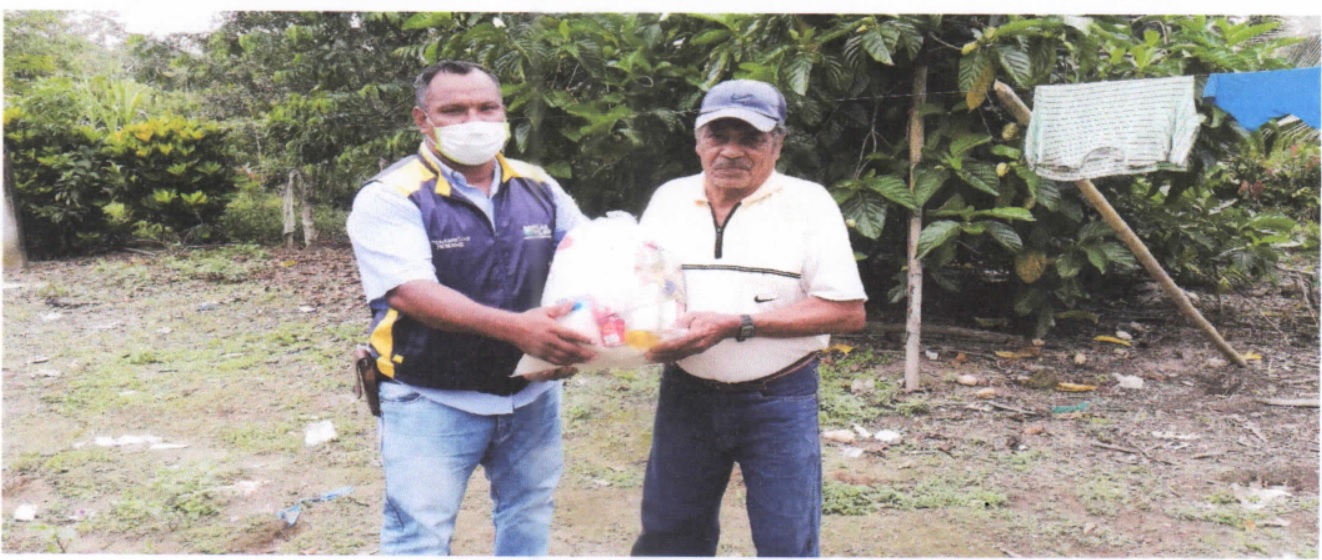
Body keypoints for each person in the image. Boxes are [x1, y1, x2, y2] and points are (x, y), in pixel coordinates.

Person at [346, 60, 596, 556]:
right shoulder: (390, 195)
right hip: (431, 396)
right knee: (420, 533)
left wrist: (593, 334)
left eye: (487, 107)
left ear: (504, 112)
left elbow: (589, 258)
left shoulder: (539, 185)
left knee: (528, 513)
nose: (474, 121)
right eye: (454, 111)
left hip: (531, 395)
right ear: (423, 119)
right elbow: (410, 291)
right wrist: (518, 329)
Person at [630, 79, 868, 557]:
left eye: (751, 138)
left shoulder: (809, 204)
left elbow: (846, 310)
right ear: (698, 141)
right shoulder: (669, 199)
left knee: (786, 542)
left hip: (777, 400)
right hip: (685, 396)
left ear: (777, 144)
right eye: (718, 136)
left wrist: (739, 324)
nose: (731, 151)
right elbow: (642, 289)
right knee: (669, 538)